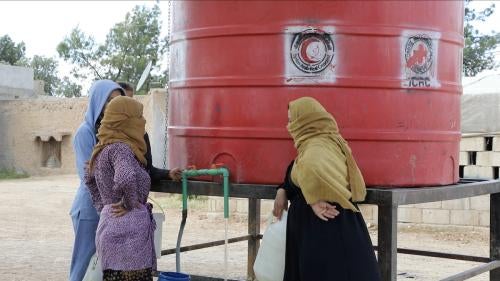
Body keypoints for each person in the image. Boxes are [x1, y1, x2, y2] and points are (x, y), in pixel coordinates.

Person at [273, 97, 381, 281]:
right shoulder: (317, 144)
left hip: (326, 229)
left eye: (292, 121)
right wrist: (282, 190)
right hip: (314, 228)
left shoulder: (318, 146)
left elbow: (310, 169)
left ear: (306, 121)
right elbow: (298, 175)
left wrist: (313, 198)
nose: (288, 126)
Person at [85, 96, 155, 280]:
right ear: (125, 121)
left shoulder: (101, 150)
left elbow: (89, 179)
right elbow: (126, 177)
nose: (143, 121)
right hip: (129, 237)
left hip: (109, 227)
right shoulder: (121, 149)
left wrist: (105, 208)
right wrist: (128, 203)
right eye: (139, 117)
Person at [69, 80, 126, 281]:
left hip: (109, 207)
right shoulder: (84, 133)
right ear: (98, 101)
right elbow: (88, 175)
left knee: (102, 268)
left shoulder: (115, 133)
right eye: (108, 100)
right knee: (83, 265)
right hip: (89, 209)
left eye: (117, 100)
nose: (113, 105)